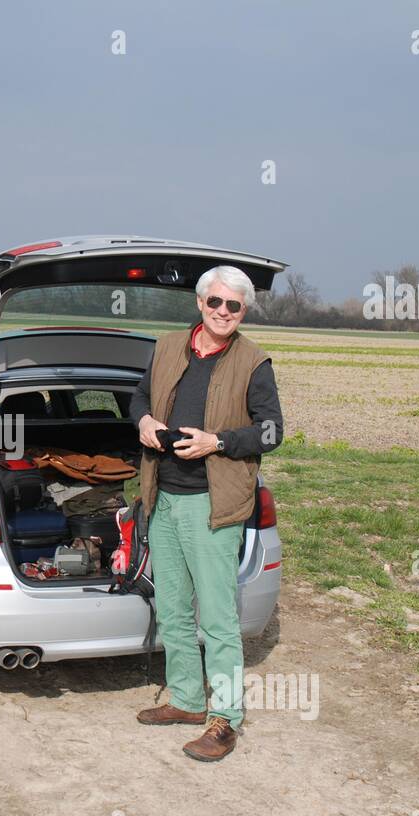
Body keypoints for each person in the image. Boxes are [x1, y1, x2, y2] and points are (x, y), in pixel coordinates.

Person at [128, 265, 284, 761]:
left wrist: (217, 441)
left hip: (214, 504)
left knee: (216, 618)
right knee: (172, 610)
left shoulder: (254, 362)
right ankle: (189, 701)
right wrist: (145, 421)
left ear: (243, 311)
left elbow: (272, 432)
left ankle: (225, 722)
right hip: (164, 496)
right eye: (215, 302)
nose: (222, 312)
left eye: (233, 306)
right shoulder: (168, 346)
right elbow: (136, 399)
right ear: (200, 303)